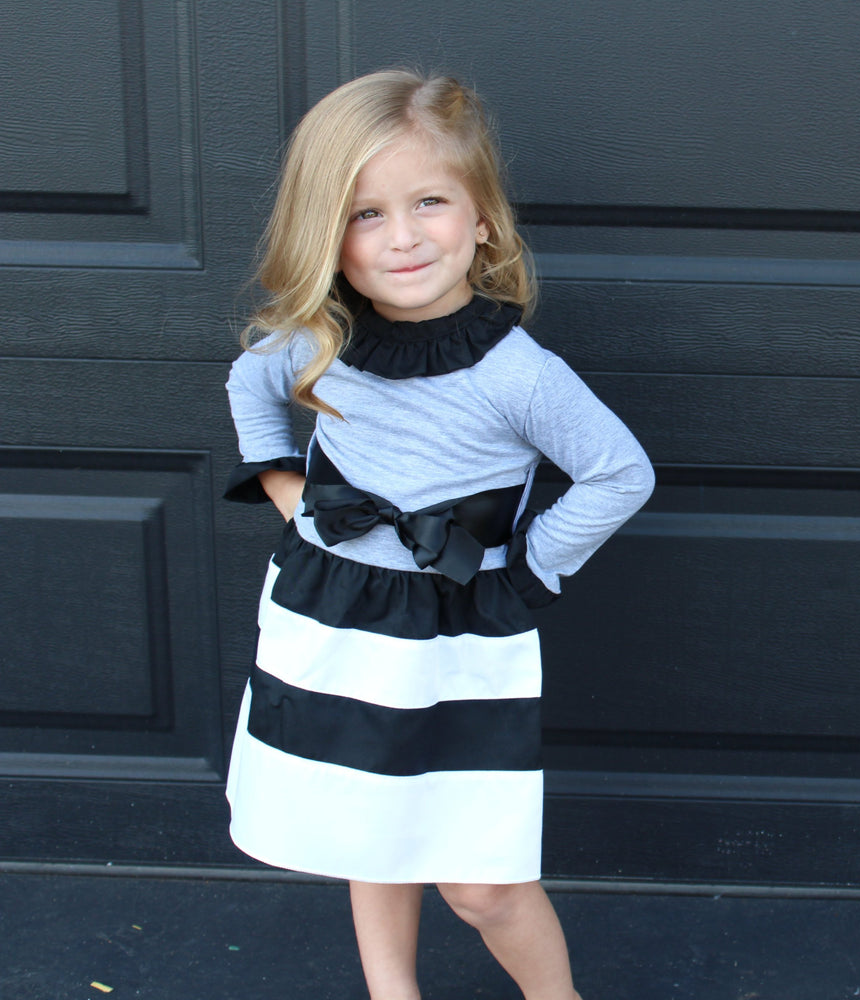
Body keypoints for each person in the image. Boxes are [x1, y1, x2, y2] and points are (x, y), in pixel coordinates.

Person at [223, 69, 654, 1000]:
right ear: (326, 236)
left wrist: (525, 577)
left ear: (482, 219)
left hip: (459, 633)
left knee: (482, 883)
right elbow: (250, 382)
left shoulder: (515, 374)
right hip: (334, 619)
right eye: (365, 213)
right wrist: (288, 489)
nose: (404, 236)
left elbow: (621, 471)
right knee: (365, 823)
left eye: (428, 202)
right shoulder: (318, 341)